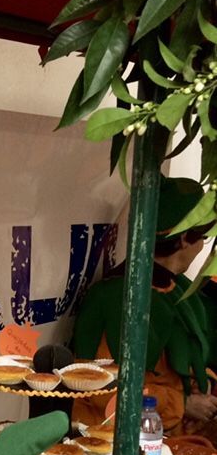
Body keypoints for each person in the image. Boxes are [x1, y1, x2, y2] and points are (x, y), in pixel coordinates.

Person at [73, 176, 217, 435]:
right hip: (111, 447)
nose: (201, 247)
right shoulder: (119, 299)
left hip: (165, 439)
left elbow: (179, 363)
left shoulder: (178, 287)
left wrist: (197, 385)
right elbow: (100, 389)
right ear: (185, 239)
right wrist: (182, 404)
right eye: (203, 238)